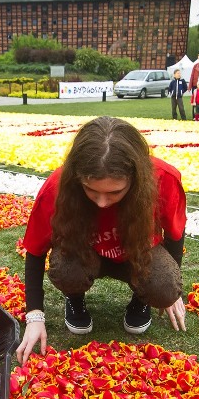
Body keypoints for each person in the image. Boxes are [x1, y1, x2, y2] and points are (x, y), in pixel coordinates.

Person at [15, 116, 187, 366]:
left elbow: (175, 234)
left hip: (137, 254)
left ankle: (141, 300)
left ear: (136, 178)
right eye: (91, 190)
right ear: (77, 178)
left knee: (165, 286)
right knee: (64, 270)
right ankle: (74, 297)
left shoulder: (164, 179)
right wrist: (35, 316)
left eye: (114, 192)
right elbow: (35, 250)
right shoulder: (57, 187)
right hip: (84, 255)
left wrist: (172, 290)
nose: (102, 202)